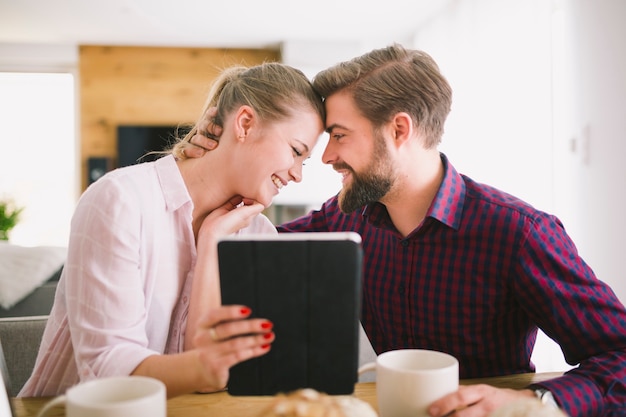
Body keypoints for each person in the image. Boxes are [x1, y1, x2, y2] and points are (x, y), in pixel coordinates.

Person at [186, 45, 626, 416]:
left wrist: (533, 405)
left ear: (399, 129)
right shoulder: (344, 218)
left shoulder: (518, 232)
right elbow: (247, 252)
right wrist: (204, 164)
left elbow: (619, 356)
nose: (327, 157)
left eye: (339, 135)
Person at [18, 62, 325, 398]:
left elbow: (208, 384)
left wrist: (212, 243)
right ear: (245, 123)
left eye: (304, 161)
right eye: (296, 151)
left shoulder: (258, 234)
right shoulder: (121, 201)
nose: (297, 174)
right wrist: (208, 369)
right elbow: (109, 369)